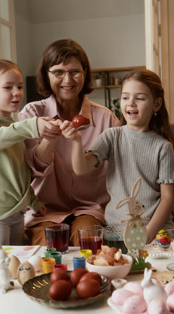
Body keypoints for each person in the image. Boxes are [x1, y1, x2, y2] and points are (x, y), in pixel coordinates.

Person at [18, 39, 120, 246]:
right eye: (58, 72)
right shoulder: (32, 114)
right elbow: (30, 171)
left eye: (74, 71)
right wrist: (49, 139)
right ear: (46, 75)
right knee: (49, 252)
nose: (67, 79)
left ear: (85, 73)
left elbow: (120, 171)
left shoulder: (106, 119)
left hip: (90, 210)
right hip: (44, 212)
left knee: (87, 241)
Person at [61, 68, 174, 244]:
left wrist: (147, 234)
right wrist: (76, 140)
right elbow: (80, 168)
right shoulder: (112, 136)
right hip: (117, 233)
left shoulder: (163, 147)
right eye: (125, 97)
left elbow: (168, 198)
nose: (131, 103)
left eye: (140, 98)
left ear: (156, 105)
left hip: (155, 234)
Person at [0, 59, 57, 245]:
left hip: (17, 213)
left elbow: (18, 173)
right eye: (8, 87)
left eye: (20, 86)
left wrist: (33, 201)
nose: (17, 93)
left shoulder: (13, 128)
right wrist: (30, 125)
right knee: (0, 269)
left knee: (14, 266)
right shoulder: (12, 130)